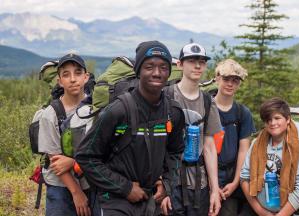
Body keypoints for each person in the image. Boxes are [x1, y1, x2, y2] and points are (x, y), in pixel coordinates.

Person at [75, 40, 186, 216]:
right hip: (115, 201)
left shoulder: (173, 112)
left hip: (151, 199)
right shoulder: (118, 111)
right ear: (138, 71)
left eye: (163, 67)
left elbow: (176, 152)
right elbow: (86, 156)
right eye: (149, 66)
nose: (157, 73)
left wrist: (166, 184)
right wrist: (125, 188)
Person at [161, 42, 221, 216]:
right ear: (179, 64)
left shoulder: (208, 102)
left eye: (202, 62)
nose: (197, 65)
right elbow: (157, 145)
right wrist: (162, 187)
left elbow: (209, 147)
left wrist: (214, 189)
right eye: (192, 61)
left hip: (198, 184)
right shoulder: (165, 96)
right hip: (171, 181)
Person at [240, 98, 299, 216]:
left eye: (277, 118)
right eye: (268, 120)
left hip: (293, 212)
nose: (272, 123)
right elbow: (244, 177)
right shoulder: (257, 143)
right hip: (259, 210)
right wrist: (260, 211)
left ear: (287, 119)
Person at [38, 53, 92, 216]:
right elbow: (57, 163)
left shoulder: (95, 108)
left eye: (77, 72)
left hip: (89, 181)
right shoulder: (51, 114)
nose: (73, 79)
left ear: (86, 77)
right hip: (60, 185)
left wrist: (73, 161)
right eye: (66, 74)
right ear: (59, 81)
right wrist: (77, 193)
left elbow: (102, 150)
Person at [213, 59, 256, 216]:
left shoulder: (242, 113)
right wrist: (212, 184)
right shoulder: (206, 108)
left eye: (235, 80)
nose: (230, 84)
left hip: (230, 180)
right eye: (226, 79)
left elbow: (244, 151)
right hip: (204, 179)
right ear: (217, 78)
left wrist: (235, 183)